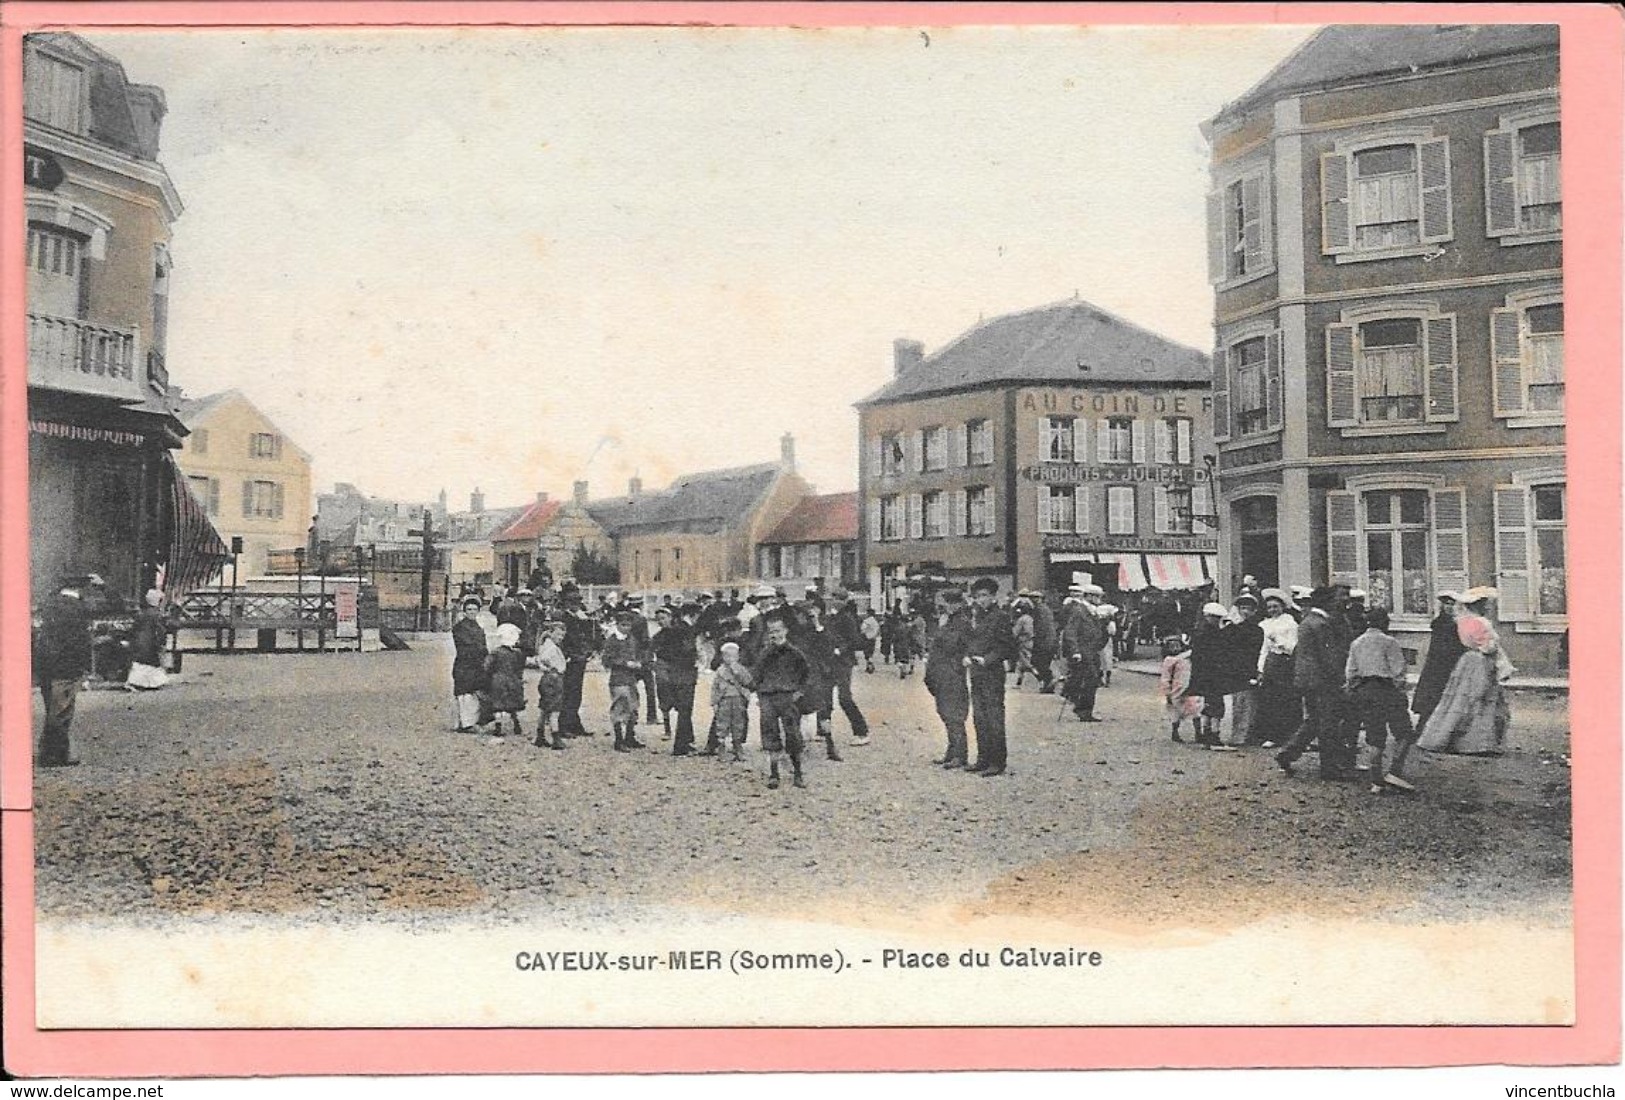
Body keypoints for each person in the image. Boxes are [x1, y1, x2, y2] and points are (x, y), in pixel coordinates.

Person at [1416, 588, 1513, 756]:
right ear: (1479, 605)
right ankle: (1476, 743)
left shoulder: (1461, 621)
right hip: (1480, 661)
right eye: (1484, 604)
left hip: (1466, 661)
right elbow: (1489, 647)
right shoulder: (1481, 623)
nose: (1487, 608)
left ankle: (1449, 737)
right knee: (1480, 699)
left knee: (1459, 699)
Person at [1275, 586, 1355, 779]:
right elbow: (1329, 657)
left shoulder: (1308, 621)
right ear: (1327, 602)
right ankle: (1329, 769)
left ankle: (1287, 753)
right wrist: (1340, 679)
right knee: (1328, 724)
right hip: (1322, 681)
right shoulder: (1321, 624)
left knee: (1314, 721)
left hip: (1307, 680)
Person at [1344, 607, 1418, 792]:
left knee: (1375, 736)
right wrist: (1399, 690)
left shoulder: (1357, 643)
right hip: (1386, 689)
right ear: (1385, 622)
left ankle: (1376, 780)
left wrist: (1356, 689)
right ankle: (1394, 771)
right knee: (1404, 732)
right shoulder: (1389, 642)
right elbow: (1398, 671)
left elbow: (1350, 672)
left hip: (1364, 690)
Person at [32, 579, 96, 767]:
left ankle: (47, 751)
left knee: (52, 709)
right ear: (79, 588)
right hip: (66, 666)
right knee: (62, 712)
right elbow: (82, 641)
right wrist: (85, 667)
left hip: (46, 665)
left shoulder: (49, 603)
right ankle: (55, 756)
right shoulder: (78, 608)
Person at [753, 616, 812, 789]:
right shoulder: (764, 653)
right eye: (771, 632)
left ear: (785, 631)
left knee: (792, 734)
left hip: (787, 697)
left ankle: (798, 773)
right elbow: (756, 673)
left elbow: (807, 673)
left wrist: (799, 692)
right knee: (770, 733)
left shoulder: (795, 653)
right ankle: (774, 773)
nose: (774, 635)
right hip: (768, 697)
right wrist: (760, 692)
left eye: (777, 631)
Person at [964, 577, 1016, 776]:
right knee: (979, 717)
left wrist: (986, 660)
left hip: (992, 673)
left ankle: (997, 761)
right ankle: (983, 758)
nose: (980, 600)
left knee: (994, 717)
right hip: (976, 672)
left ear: (993, 597)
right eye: (977, 597)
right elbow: (972, 642)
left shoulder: (1000, 617)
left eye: (984, 596)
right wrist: (968, 656)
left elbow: (1007, 646)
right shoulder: (977, 617)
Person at [925, 589, 973, 768]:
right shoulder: (949, 621)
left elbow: (954, 645)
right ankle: (952, 752)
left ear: (959, 604)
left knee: (954, 714)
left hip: (952, 672)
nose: (949, 606)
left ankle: (960, 755)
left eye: (953, 603)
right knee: (945, 711)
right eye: (947, 602)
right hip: (942, 672)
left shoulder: (962, 623)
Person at [794, 598, 845, 762]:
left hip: (818, 676)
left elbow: (829, 647)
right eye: (804, 616)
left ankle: (830, 745)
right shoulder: (793, 633)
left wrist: (817, 626)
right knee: (796, 710)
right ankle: (797, 745)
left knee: (824, 711)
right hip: (800, 676)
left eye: (809, 616)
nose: (806, 619)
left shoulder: (820, 631)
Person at [1411, 590, 1465, 734]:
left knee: (1440, 697)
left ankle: (1433, 729)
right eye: (1446, 604)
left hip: (1446, 664)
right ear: (1441, 606)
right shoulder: (1441, 623)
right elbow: (1446, 646)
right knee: (1433, 696)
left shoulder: (1453, 623)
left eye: (1452, 604)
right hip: (1438, 664)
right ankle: (1423, 728)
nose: (1449, 607)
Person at [1186, 602, 1237, 751]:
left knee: (1207, 705)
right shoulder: (1214, 634)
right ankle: (1215, 737)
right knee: (1216, 706)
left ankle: (1206, 735)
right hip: (1213, 674)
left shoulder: (1199, 632)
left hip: (1202, 674)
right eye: (1216, 618)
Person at [824, 590, 872, 747]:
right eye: (833, 598)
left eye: (837, 599)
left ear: (844, 601)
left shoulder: (847, 618)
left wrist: (840, 649)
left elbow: (856, 641)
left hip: (843, 661)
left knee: (844, 698)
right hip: (830, 660)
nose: (833, 601)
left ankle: (861, 732)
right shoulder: (833, 617)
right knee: (825, 696)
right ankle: (824, 731)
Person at [1254, 589, 1301, 748]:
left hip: (1285, 663)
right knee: (1269, 700)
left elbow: (1292, 647)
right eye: (1270, 607)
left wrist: (1278, 640)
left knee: (1285, 699)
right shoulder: (1265, 624)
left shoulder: (1290, 623)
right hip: (1271, 663)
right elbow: (1264, 649)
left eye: (1276, 606)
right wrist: (1260, 669)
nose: (1273, 610)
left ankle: (1287, 735)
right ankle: (1271, 735)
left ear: (1282, 606)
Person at [652, 603, 701, 756]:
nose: (660, 621)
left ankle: (687, 740)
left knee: (684, 710)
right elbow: (688, 652)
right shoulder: (684, 631)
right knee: (685, 710)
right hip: (682, 674)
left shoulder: (664, 634)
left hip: (675, 674)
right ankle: (681, 746)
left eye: (663, 618)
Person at [1218, 594, 1265, 746]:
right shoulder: (1231, 628)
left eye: (1249, 609)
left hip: (1250, 667)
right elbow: (1225, 645)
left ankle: (1245, 735)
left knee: (1249, 703)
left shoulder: (1257, 629)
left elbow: (1255, 648)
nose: (1245, 612)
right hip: (1235, 669)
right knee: (1238, 703)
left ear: (1254, 611)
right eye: (1242, 608)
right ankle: (1237, 734)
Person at [601, 609, 647, 752]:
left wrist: (639, 662)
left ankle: (629, 736)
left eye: (628, 625)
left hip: (631, 679)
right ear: (617, 625)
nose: (626, 628)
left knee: (633, 708)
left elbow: (638, 654)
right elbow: (606, 660)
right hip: (618, 679)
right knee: (620, 708)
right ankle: (618, 740)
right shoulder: (612, 640)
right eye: (623, 625)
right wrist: (625, 663)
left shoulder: (632, 639)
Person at [556, 585, 598, 738]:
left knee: (576, 692)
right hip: (569, 659)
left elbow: (588, 635)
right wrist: (568, 655)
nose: (575, 604)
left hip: (579, 658)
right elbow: (561, 640)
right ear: (565, 602)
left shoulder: (579, 617)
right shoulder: (562, 617)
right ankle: (564, 725)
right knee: (567, 692)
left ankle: (574, 723)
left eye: (578, 601)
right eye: (572, 601)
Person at [1060, 585, 1107, 722]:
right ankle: (1083, 710)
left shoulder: (1091, 611)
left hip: (1092, 650)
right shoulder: (1079, 611)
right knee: (1090, 679)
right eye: (1097, 596)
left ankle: (1082, 707)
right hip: (1083, 651)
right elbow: (1070, 632)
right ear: (1089, 596)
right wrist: (1075, 651)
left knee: (1089, 679)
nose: (1099, 599)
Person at [451, 595, 492, 733]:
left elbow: (482, 645)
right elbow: (466, 646)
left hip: (477, 664)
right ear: (464, 611)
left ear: (478, 611)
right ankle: (465, 723)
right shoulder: (459, 628)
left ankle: (472, 721)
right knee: (465, 694)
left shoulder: (479, 628)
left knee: (475, 693)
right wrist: (481, 651)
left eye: (474, 609)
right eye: (469, 609)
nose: (472, 612)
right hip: (465, 664)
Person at [710, 641, 754, 762]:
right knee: (722, 724)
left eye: (733, 656)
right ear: (723, 657)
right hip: (724, 700)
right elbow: (715, 687)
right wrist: (713, 702)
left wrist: (738, 672)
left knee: (738, 723)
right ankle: (721, 747)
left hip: (738, 699)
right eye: (727, 656)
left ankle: (738, 747)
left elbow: (748, 681)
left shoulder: (741, 669)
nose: (730, 658)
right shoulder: (720, 671)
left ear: (738, 656)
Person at [484, 622, 527, 739]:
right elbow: (520, 668)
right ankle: (516, 725)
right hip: (513, 679)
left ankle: (498, 726)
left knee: (498, 703)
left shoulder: (496, 652)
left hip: (498, 679)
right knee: (512, 703)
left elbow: (487, 666)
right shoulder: (517, 653)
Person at [1158, 634, 1201, 742]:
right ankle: (1175, 732)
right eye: (1171, 646)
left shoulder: (1187, 658)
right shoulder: (1168, 661)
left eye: (1177, 645)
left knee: (1196, 709)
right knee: (1175, 713)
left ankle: (1198, 733)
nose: (1175, 648)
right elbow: (1165, 678)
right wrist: (1167, 693)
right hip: (1175, 690)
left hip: (1189, 687)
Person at [125, 589, 171, 691]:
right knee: (150, 662)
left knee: (141, 662)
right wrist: (162, 641)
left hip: (140, 639)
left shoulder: (142, 614)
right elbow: (160, 630)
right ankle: (147, 683)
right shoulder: (157, 614)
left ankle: (139, 682)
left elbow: (134, 628)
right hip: (150, 640)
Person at [533, 618, 567, 750]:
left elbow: (539, 659)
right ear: (551, 633)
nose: (560, 637)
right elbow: (544, 659)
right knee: (554, 710)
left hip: (547, 679)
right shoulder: (551, 647)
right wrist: (552, 666)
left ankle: (539, 735)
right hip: (553, 679)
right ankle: (556, 737)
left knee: (544, 708)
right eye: (558, 634)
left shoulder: (546, 645)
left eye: (562, 635)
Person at [859, 608, 880, 673]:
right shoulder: (875, 621)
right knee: (871, 652)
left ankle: (869, 666)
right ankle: (869, 666)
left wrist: (864, 632)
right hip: (873, 639)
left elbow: (862, 629)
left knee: (866, 653)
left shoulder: (866, 621)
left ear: (868, 613)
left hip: (866, 638)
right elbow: (877, 630)